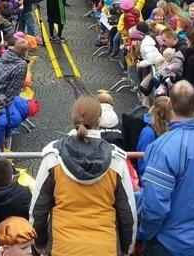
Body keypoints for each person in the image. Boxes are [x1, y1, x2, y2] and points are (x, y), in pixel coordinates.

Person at [31, 95, 136, 256]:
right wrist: (127, 248)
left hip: (63, 247)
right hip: (104, 248)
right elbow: (127, 213)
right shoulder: (116, 161)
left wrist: (40, 243)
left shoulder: (53, 157)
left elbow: (38, 209)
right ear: (99, 121)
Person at [140, 82, 194, 256]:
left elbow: (154, 203)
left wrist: (148, 233)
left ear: (170, 105)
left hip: (165, 242)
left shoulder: (161, 146)